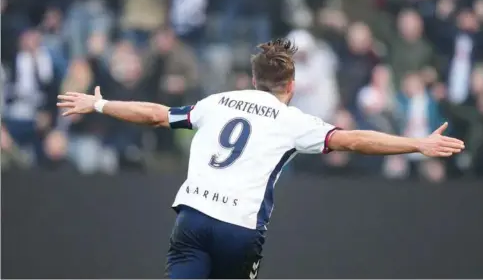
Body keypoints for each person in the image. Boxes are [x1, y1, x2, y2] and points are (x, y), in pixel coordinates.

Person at [57, 38, 465, 279]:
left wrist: (100, 104)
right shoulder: (292, 120)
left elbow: (154, 115)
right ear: (291, 84)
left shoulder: (217, 102)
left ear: (253, 80)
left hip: (193, 218)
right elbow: (355, 140)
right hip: (240, 230)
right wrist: (417, 144)